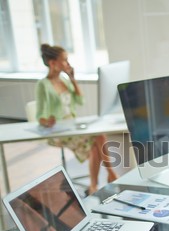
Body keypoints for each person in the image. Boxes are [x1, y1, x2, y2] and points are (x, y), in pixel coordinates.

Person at [36, 44, 118, 194]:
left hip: (72, 125)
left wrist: (73, 79)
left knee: (98, 137)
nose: (68, 64)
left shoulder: (65, 80)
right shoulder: (43, 85)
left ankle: (95, 185)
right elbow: (39, 116)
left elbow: (80, 101)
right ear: (52, 63)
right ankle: (109, 175)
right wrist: (48, 122)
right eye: (65, 60)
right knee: (97, 141)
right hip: (57, 131)